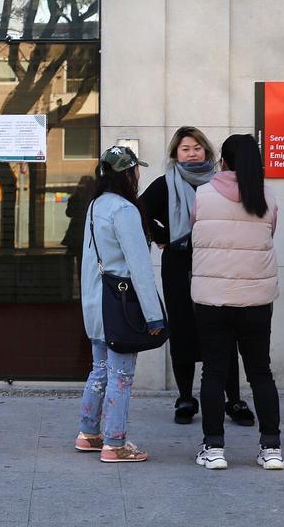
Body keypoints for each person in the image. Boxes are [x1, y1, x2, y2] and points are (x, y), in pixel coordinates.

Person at [139, 127, 253, 427]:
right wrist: (163, 234)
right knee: (182, 329)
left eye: (197, 147)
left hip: (216, 263)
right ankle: (186, 398)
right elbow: (139, 210)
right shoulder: (166, 183)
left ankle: (234, 400)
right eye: (185, 148)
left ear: (208, 152)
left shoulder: (221, 184)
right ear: (175, 154)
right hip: (178, 263)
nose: (192, 153)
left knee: (224, 330)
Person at [190, 134, 283, 471]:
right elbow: (269, 235)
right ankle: (271, 448)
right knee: (261, 372)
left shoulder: (203, 194)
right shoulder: (267, 197)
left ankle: (214, 448)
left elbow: (196, 233)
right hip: (256, 300)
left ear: (223, 161)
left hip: (212, 301)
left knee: (214, 372)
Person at [75, 145, 165, 462]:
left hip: (97, 304)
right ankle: (115, 443)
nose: (138, 174)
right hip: (121, 305)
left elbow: (90, 260)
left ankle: (88, 433)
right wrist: (154, 316)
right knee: (121, 375)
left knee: (100, 368)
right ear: (128, 173)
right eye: (135, 169)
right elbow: (139, 266)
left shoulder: (96, 205)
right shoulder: (124, 210)